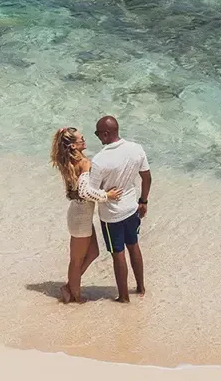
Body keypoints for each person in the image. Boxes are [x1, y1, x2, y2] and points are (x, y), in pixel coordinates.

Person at [50, 127, 122, 304]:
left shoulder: (68, 162)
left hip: (78, 214)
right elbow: (84, 192)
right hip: (80, 217)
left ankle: (70, 286)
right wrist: (107, 196)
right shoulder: (84, 163)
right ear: (74, 146)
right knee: (76, 260)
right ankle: (74, 295)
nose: (85, 140)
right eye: (81, 139)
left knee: (93, 252)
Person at [89, 115, 151, 303]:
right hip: (132, 208)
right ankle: (140, 287)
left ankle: (123, 297)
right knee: (134, 247)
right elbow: (147, 178)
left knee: (118, 254)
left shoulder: (100, 160)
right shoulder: (136, 149)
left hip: (111, 215)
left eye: (98, 133)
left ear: (106, 134)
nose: (98, 137)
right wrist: (143, 201)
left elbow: (92, 191)